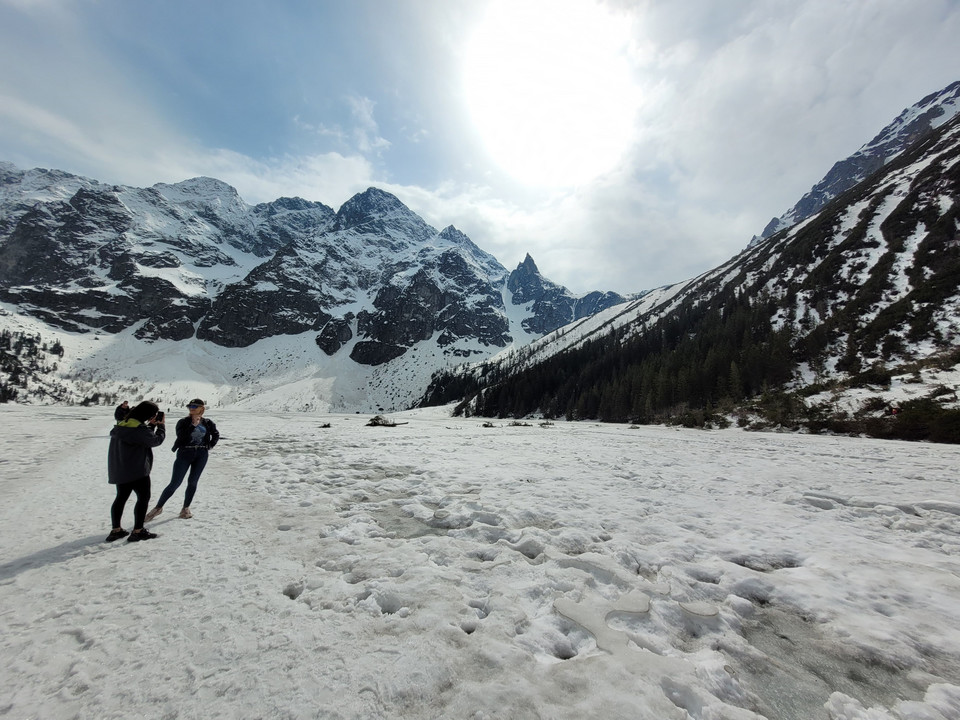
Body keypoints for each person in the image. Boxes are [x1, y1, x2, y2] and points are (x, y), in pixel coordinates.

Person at [146, 399, 219, 521]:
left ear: (202, 408)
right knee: (175, 483)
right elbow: (181, 436)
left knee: (193, 482)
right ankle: (158, 508)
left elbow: (216, 434)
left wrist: (210, 445)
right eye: (190, 406)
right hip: (185, 453)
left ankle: (185, 508)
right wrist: (193, 425)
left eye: (195, 406)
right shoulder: (183, 422)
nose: (192, 408)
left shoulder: (207, 422)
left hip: (201, 454)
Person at [106, 400, 165, 542]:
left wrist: (151, 425)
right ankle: (138, 531)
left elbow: (142, 437)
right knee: (143, 499)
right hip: (137, 470)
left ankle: (116, 530)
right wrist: (161, 427)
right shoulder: (139, 429)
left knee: (120, 498)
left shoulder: (123, 425)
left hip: (121, 469)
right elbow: (155, 440)